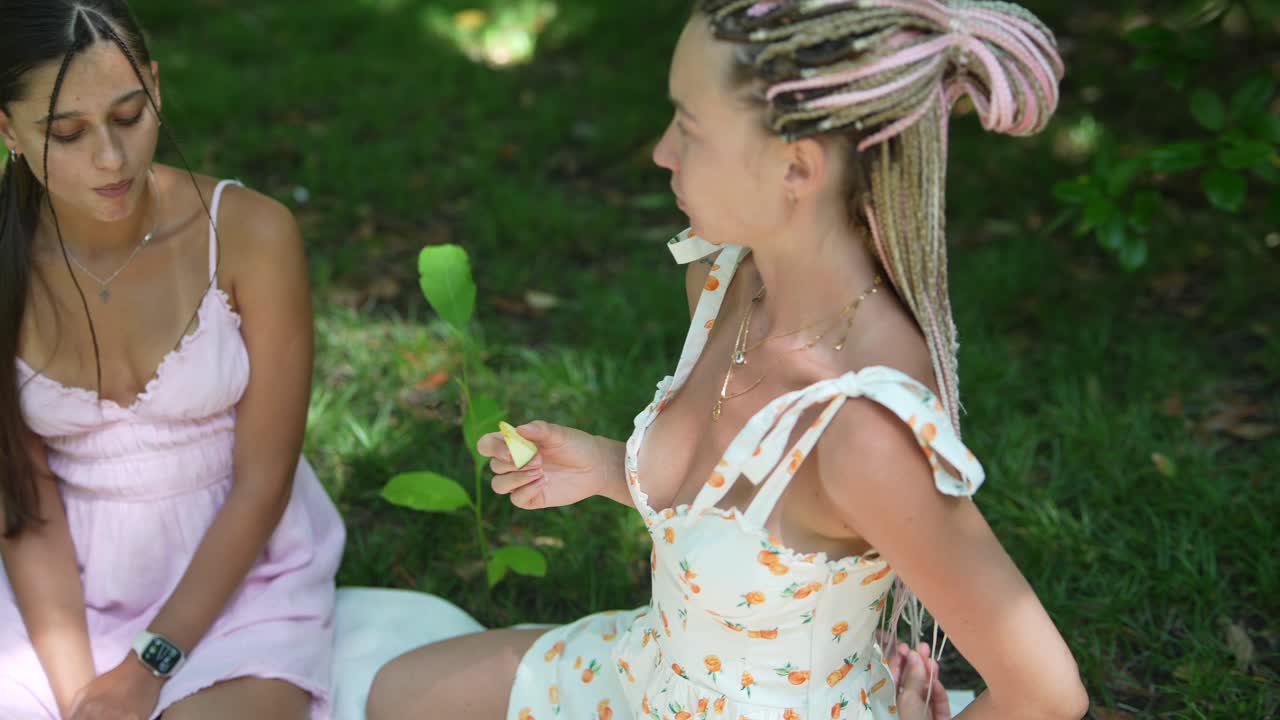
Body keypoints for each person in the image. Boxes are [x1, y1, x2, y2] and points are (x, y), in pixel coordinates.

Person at [368, 0, 1089, 718]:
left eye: (688, 128)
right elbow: (749, 519)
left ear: (796, 168)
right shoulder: (726, 282)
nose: (660, 151)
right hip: (650, 669)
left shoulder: (863, 429)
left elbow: (1047, 695)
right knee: (384, 691)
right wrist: (606, 465)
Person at [0, 1, 345, 718]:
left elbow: (263, 481)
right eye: (66, 133)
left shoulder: (252, 233)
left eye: (129, 116)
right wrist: (79, 700)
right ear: (6, 130)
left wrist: (147, 667)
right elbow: (25, 511)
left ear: (155, 86)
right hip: (58, 600)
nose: (110, 158)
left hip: (241, 582)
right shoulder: (8, 268)